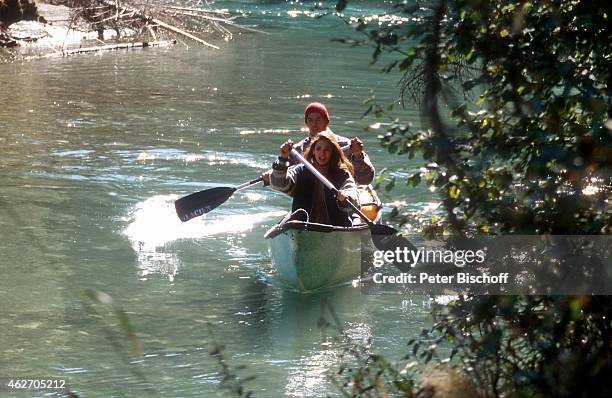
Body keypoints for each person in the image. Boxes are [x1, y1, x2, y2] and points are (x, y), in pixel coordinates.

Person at [262, 102, 375, 185]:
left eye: (319, 119)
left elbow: (365, 179)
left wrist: (358, 156)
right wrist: (272, 175)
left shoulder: (348, 145)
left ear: (327, 121)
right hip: (310, 196)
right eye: (310, 120)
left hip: (343, 195)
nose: (314, 124)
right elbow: (284, 177)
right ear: (306, 123)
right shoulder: (297, 150)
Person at [270, 132, 359, 227]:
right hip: (304, 226)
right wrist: (283, 159)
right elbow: (279, 184)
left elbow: (351, 191)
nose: (322, 153)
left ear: (332, 153)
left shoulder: (342, 174)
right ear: (313, 151)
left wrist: (346, 196)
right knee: (297, 217)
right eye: (318, 149)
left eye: (327, 150)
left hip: (335, 227)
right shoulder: (301, 171)